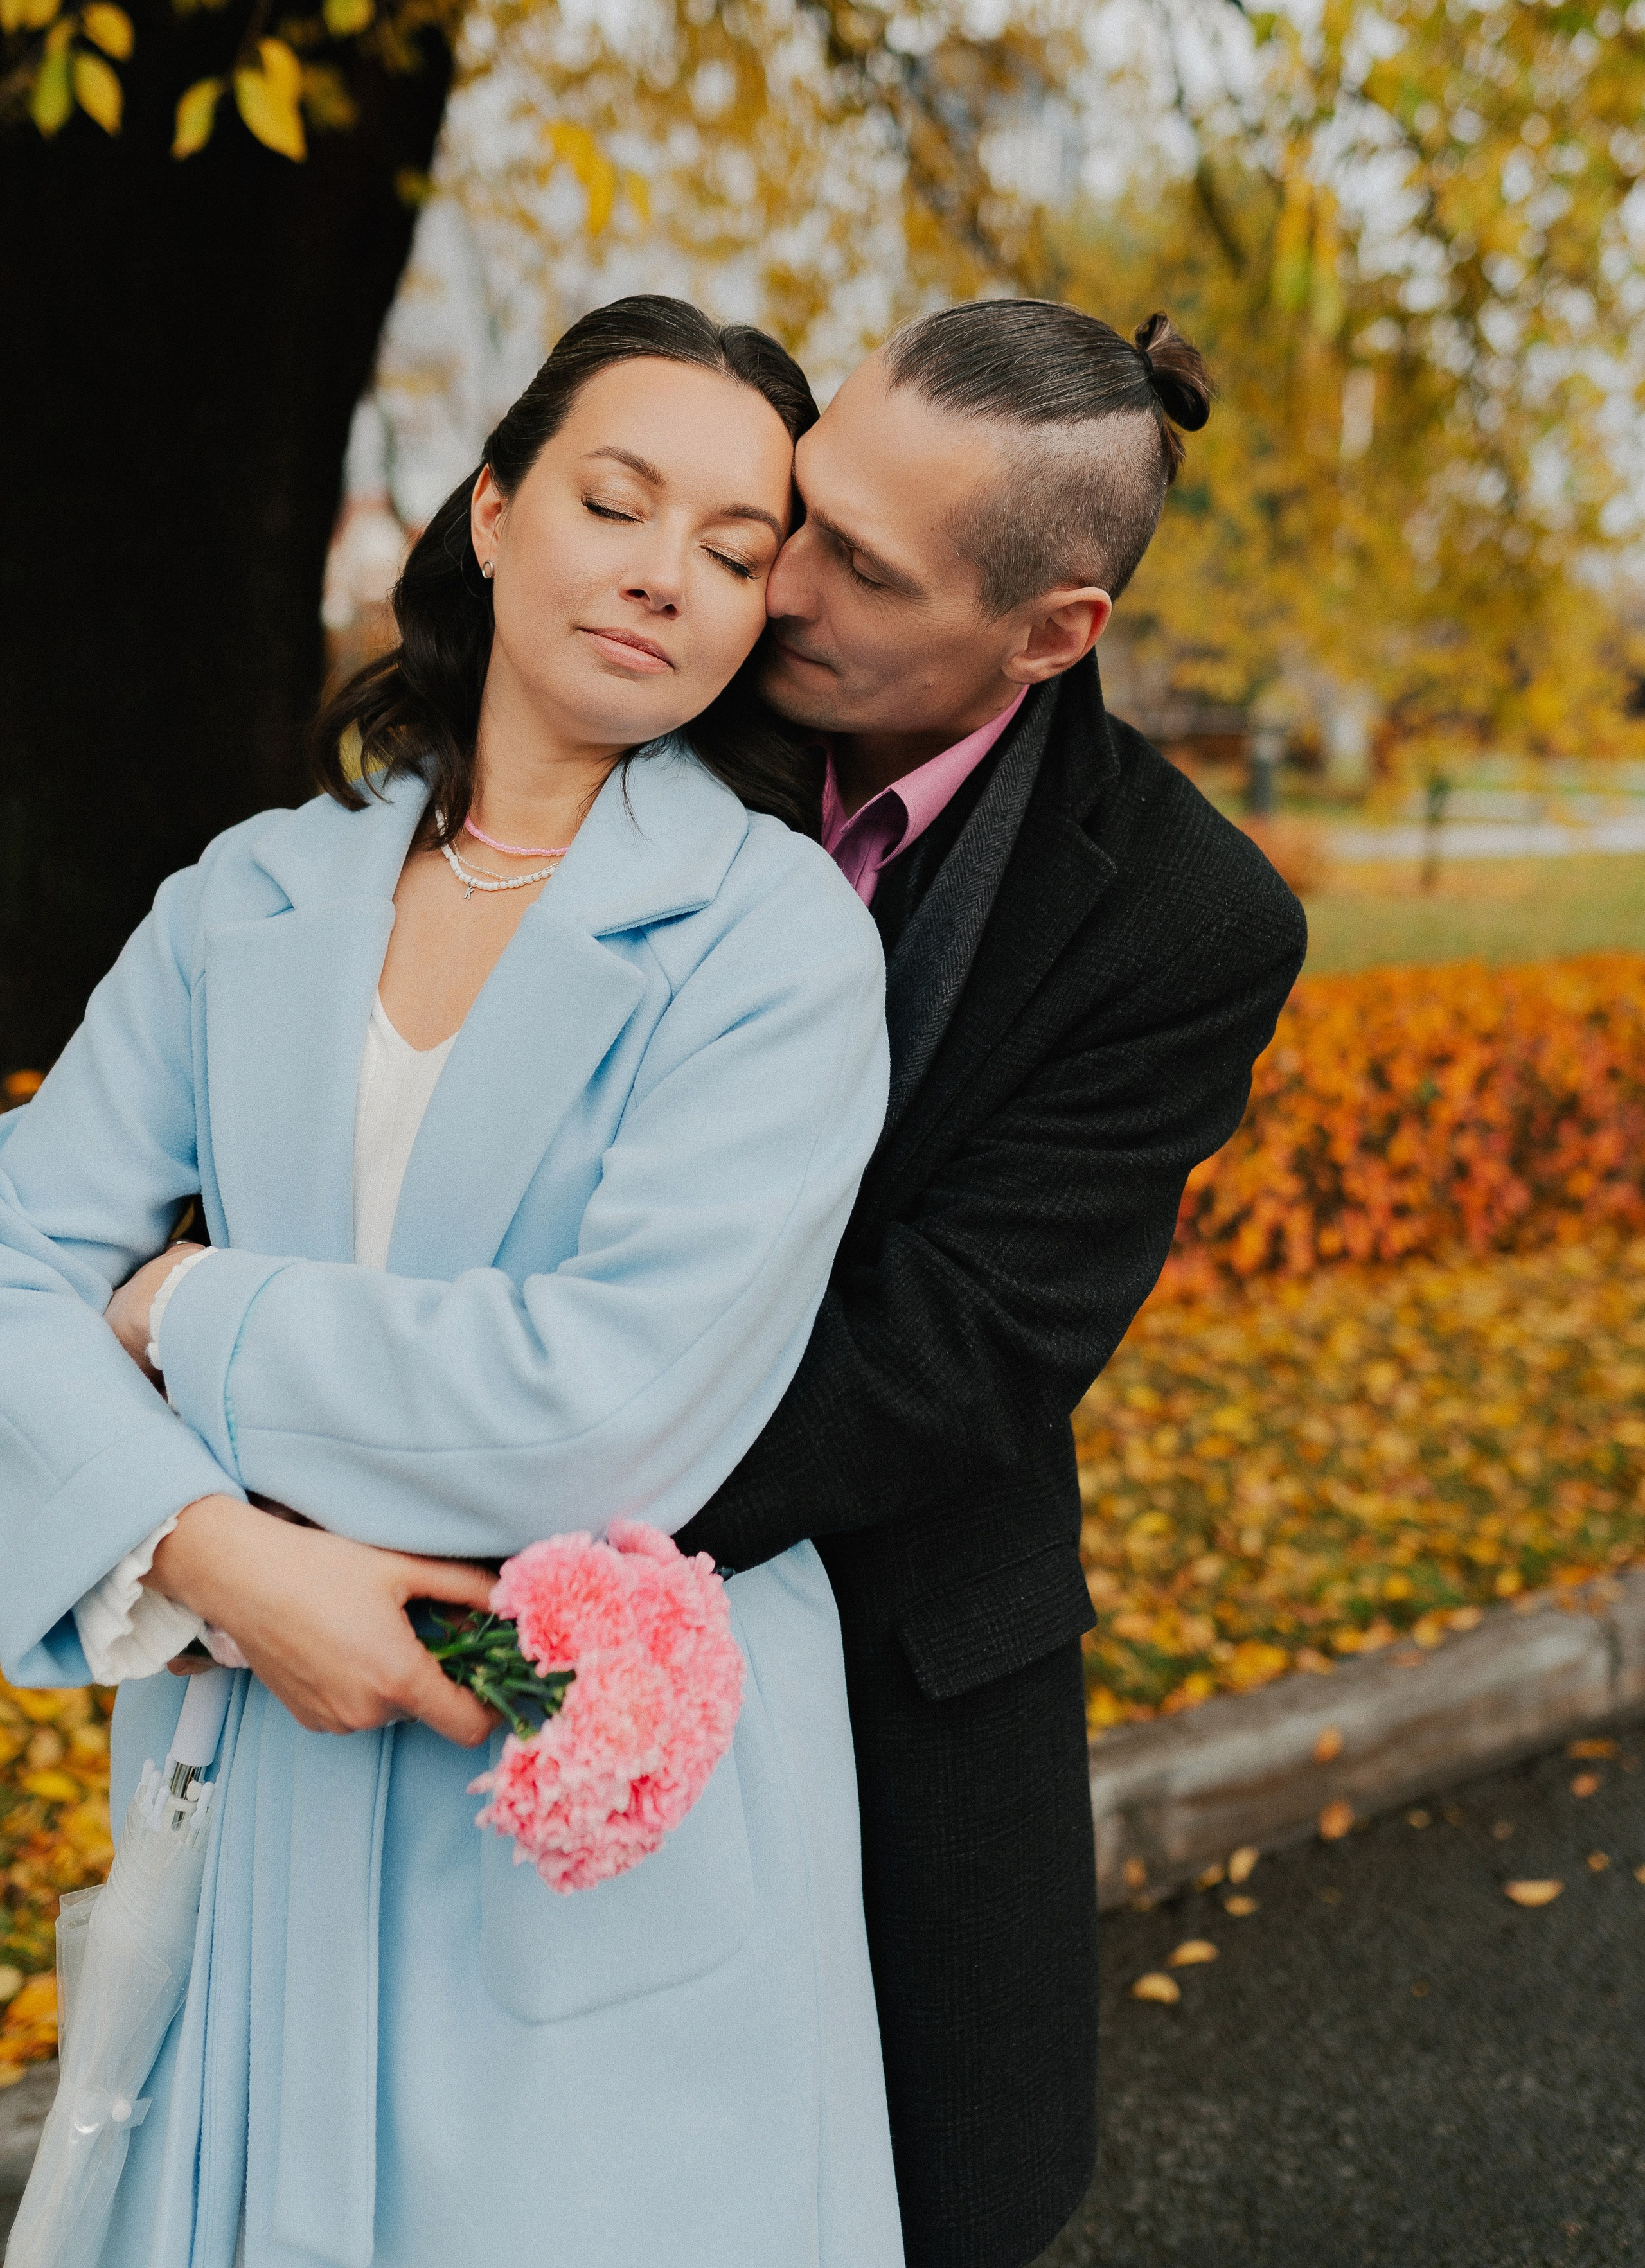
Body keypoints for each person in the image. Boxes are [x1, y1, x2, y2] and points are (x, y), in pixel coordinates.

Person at [0, 299, 905, 2266]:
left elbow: (603, 1407)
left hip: (577, 1802)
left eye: (739, 554)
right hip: (250, 1758)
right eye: (614, 498)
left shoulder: (773, 951)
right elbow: (4, 1271)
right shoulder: (241, 899)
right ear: (493, 512)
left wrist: (179, 1314)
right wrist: (219, 1559)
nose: (667, 573)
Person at [673, 299, 1310, 2268]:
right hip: (517, 1661)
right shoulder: (658, 707)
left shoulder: (1196, 920)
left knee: (931, 2208)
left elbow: (960, 1356)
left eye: (865, 567)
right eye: (805, 513)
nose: (780, 584)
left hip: (909, 1662)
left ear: (1056, 632)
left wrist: (515, 1496)